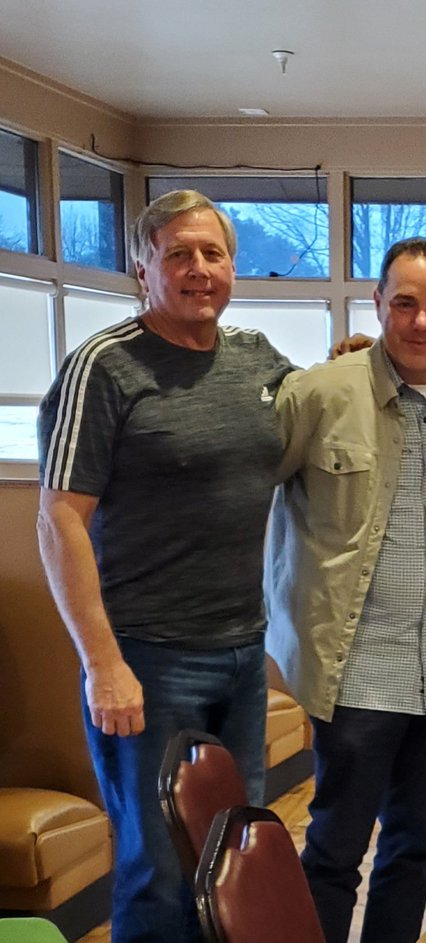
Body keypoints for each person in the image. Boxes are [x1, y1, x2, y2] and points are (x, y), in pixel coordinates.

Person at [36, 190, 292, 943]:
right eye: (178, 253)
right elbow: (58, 520)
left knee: (229, 862)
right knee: (157, 869)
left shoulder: (256, 357)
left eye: (212, 254)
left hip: (243, 656)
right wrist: (101, 663)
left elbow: (321, 405)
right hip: (148, 661)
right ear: (142, 266)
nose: (198, 269)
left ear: (233, 267)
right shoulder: (103, 368)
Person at [264, 238, 426, 943]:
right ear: (378, 304)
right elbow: (249, 490)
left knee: (412, 850)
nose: (420, 322)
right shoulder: (320, 394)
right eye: (404, 303)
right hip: (358, 674)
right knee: (334, 853)